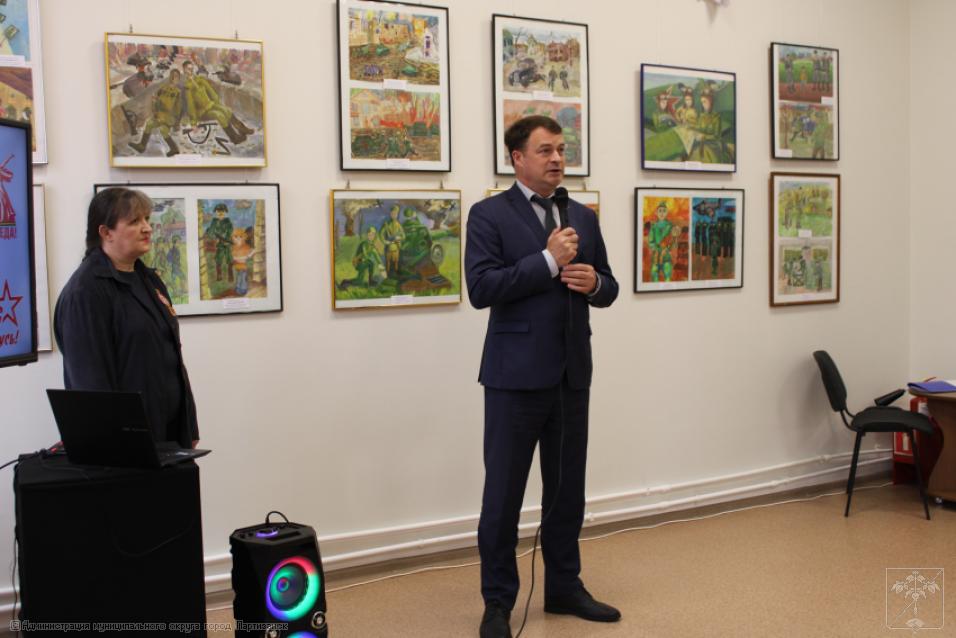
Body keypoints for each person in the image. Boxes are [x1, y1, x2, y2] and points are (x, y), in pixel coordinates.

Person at [465, 115, 620, 638]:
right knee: (503, 497)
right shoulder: (488, 215)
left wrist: (594, 282)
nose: (557, 159)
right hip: (513, 379)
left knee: (566, 493)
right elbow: (482, 288)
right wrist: (548, 262)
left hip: (571, 376)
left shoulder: (583, 215)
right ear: (517, 158)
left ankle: (564, 587)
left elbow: (610, 286)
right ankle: (497, 603)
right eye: (545, 150)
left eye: (561, 150)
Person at [54, 188, 199, 448]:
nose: (147, 228)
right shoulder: (85, 293)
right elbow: (91, 386)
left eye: (147, 219)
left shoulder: (148, 279)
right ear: (105, 232)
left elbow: (171, 357)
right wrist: (123, 449)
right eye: (134, 222)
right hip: (128, 448)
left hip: (169, 437)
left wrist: (188, 426)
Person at [182, 59, 254, 146]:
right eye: (188, 69)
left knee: (226, 110)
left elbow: (211, 92)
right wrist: (193, 122)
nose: (191, 71)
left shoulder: (199, 79)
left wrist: (218, 104)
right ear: (184, 70)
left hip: (210, 105)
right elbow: (190, 105)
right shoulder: (187, 86)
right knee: (219, 115)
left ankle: (242, 129)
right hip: (201, 112)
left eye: (192, 68)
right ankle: (234, 138)